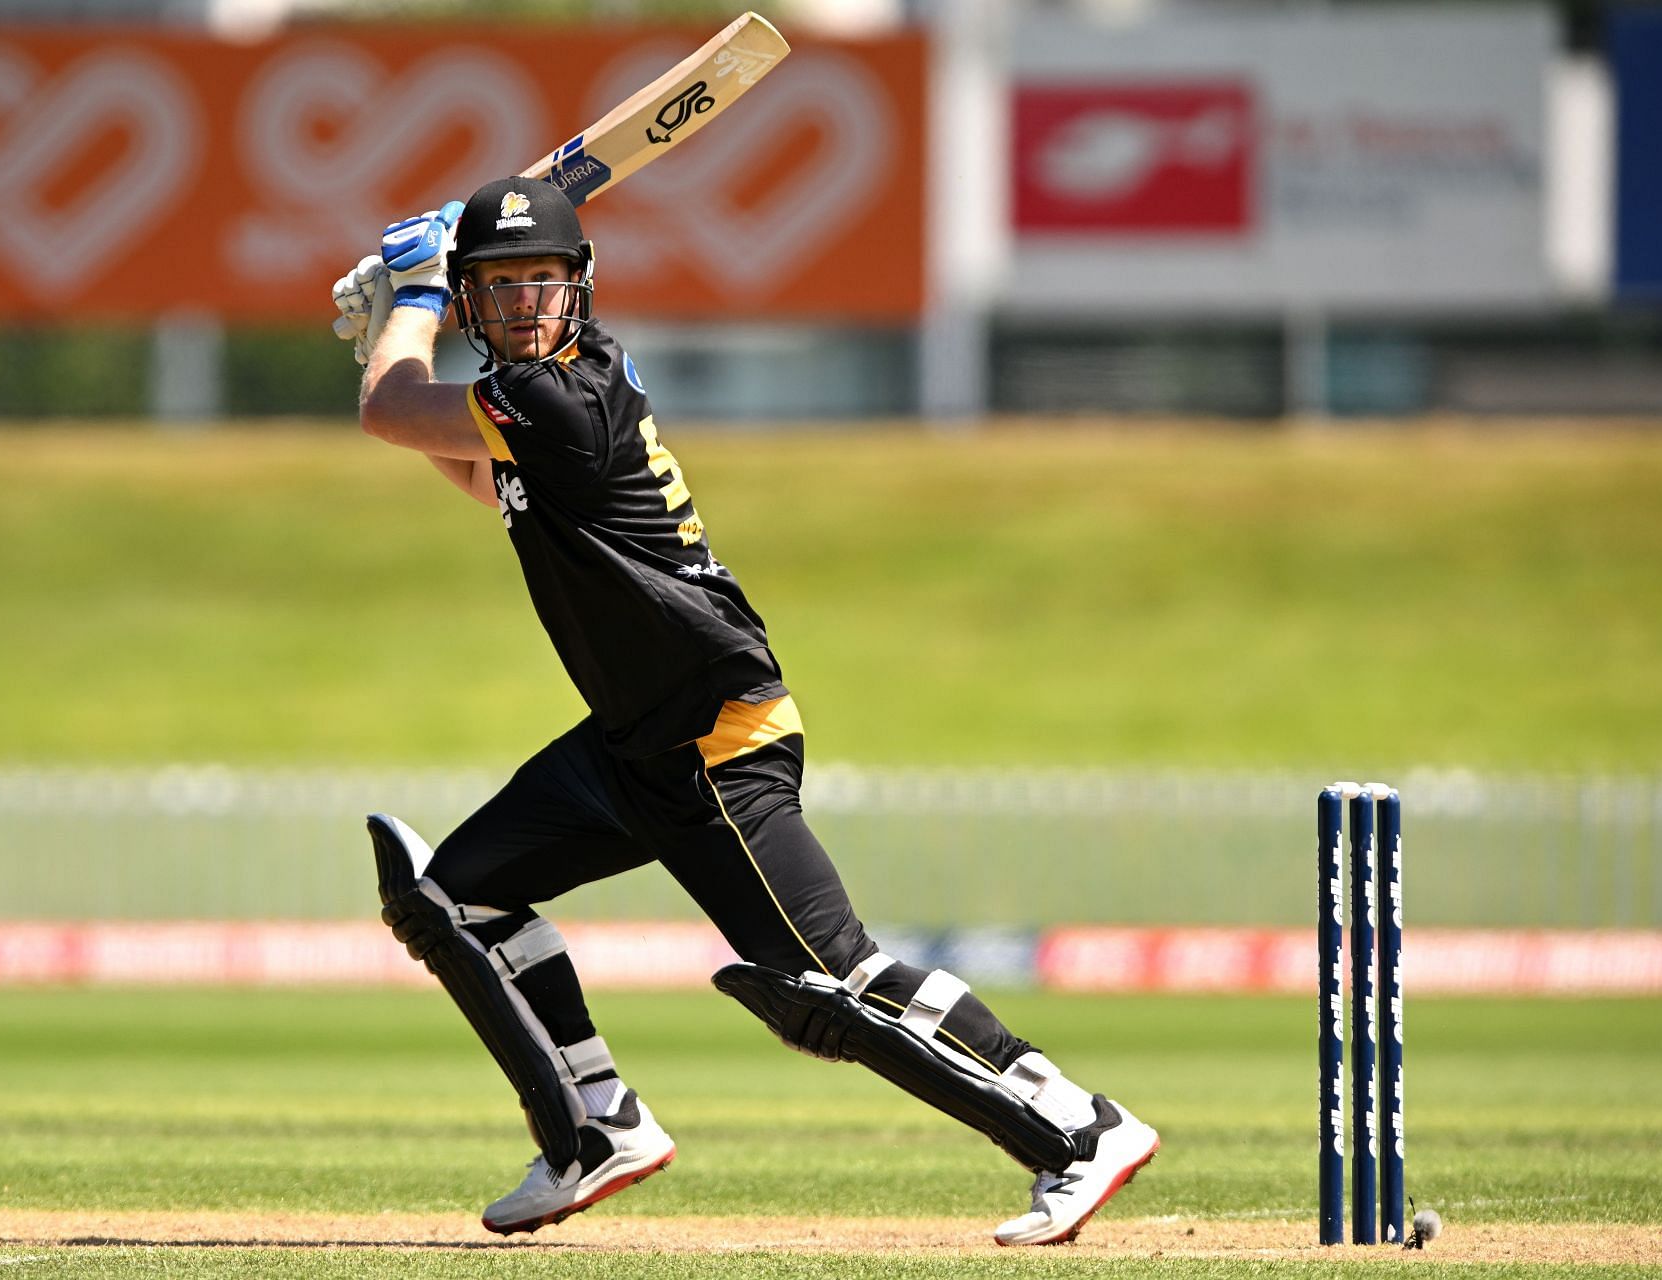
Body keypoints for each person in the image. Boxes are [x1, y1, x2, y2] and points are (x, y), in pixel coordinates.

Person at [333, 176, 1159, 1245]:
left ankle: (1080, 1126)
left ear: (578, 288)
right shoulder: (539, 418)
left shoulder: (559, 400)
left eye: (542, 279)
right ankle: (593, 1127)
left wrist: (410, 301)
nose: (526, 302)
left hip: (716, 734)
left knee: (833, 979)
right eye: (499, 285)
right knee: (458, 900)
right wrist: (396, 324)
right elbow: (466, 467)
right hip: (634, 744)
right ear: (481, 301)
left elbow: (391, 411)